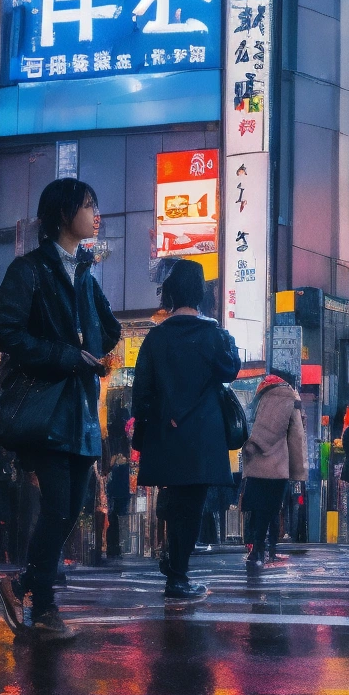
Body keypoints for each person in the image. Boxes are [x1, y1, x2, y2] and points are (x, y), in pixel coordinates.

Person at [0, 178, 122, 637]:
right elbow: (2, 329)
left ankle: (24, 584)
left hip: (80, 406)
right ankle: (43, 606)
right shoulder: (29, 269)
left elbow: (108, 328)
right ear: (64, 215)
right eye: (88, 205)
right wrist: (64, 354)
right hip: (45, 406)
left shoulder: (83, 271)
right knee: (59, 505)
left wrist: (95, 349)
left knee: (69, 507)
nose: (95, 213)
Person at [128, 258, 240, 606]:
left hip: (165, 435)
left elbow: (141, 393)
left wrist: (154, 425)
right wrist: (224, 336)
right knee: (192, 507)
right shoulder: (212, 334)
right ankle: (177, 575)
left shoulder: (155, 339)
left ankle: (173, 562)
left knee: (175, 499)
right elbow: (230, 370)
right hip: (202, 436)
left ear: (172, 293)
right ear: (201, 293)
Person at [240, 367, 305, 570]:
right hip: (278, 467)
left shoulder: (264, 395)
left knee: (257, 509)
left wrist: (249, 447)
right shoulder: (288, 397)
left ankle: (256, 549)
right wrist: (297, 469)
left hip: (257, 463)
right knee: (271, 509)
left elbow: (258, 430)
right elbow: (297, 436)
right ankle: (264, 548)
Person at [105, 448, 131, 560]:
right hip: (120, 497)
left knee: (114, 524)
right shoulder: (124, 469)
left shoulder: (115, 469)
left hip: (115, 497)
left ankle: (113, 548)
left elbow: (110, 485)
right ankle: (114, 548)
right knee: (117, 523)